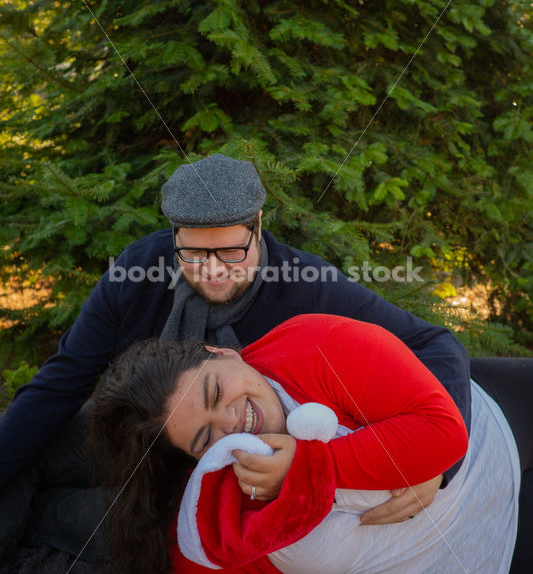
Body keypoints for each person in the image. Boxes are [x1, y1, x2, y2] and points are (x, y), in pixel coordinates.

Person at [0, 153, 468, 565]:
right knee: (28, 451)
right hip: (134, 428)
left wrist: (437, 466)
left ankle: (43, 517)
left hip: (196, 476)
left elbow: (436, 343)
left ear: (258, 224)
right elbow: (58, 384)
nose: (215, 268)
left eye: (231, 250)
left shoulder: (309, 286)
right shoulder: (135, 271)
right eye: (194, 252)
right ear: (173, 236)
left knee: (107, 524)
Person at [89, 314, 522, 574]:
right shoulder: (220, 500)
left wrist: (311, 466)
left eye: (216, 393)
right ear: (195, 462)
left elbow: (443, 432)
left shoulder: (315, 344)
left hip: (498, 432)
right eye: (206, 437)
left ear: (222, 354)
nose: (233, 420)